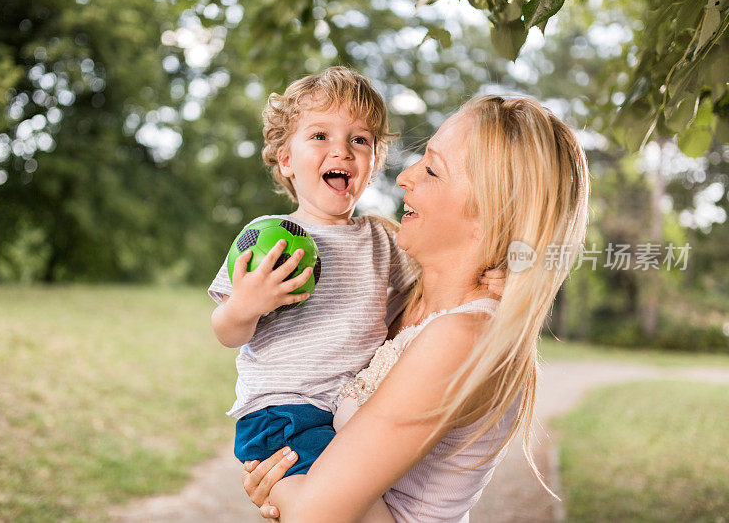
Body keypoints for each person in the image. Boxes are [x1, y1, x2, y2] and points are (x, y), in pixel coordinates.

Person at [239, 94, 590, 522]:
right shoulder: (404, 303)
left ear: (493, 213)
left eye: (432, 170)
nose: (404, 176)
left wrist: (281, 488)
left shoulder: (463, 337)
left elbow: (318, 514)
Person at [208, 67, 504, 480]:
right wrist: (245, 307)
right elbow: (226, 332)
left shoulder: (381, 237)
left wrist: (490, 277)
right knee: (330, 497)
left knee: (362, 488)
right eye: (320, 136)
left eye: (359, 140)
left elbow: (433, 287)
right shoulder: (265, 239)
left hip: (348, 408)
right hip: (284, 411)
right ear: (287, 159)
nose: (342, 151)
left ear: (373, 162)